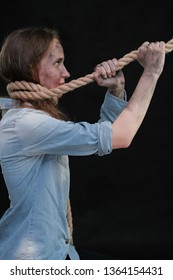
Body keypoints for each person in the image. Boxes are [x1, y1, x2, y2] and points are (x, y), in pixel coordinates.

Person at [0, 26, 165, 260]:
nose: (66, 73)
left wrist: (117, 90)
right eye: (57, 63)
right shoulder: (25, 124)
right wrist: (151, 73)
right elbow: (121, 136)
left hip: (60, 252)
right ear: (29, 67)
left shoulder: (30, 120)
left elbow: (104, 137)